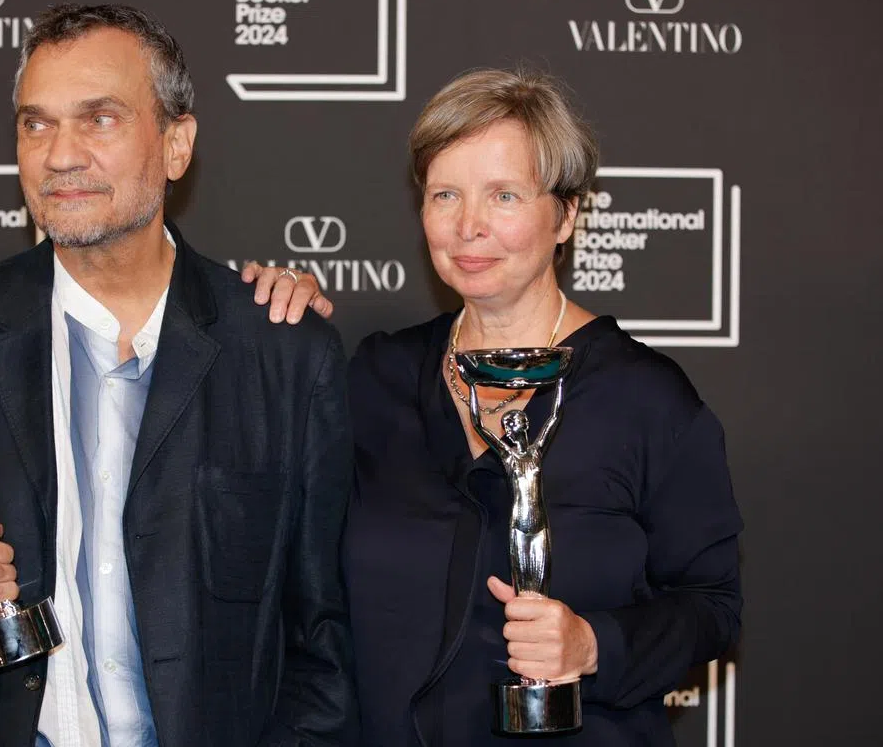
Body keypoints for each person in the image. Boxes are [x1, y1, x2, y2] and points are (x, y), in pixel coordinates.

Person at [0, 3, 357, 747]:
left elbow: (323, 635)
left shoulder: (282, 351)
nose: (59, 155)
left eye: (99, 119)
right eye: (35, 124)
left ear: (177, 144)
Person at [246, 68, 742, 745]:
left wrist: (595, 645)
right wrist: (268, 320)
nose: (468, 226)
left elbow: (712, 607)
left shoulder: (647, 398)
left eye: (503, 196)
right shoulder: (374, 377)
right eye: (444, 194)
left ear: (566, 214)